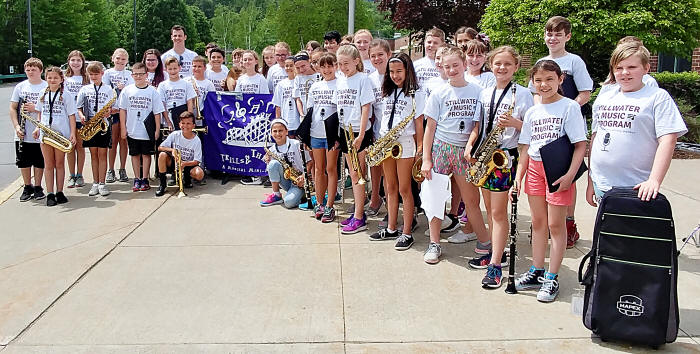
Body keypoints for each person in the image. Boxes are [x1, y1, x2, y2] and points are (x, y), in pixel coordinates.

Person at [513, 60, 587, 302]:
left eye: (549, 79)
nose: (544, 85)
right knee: (538, 223)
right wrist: (519, 175)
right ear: (532, 82)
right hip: (535, 168)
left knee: (556, 225)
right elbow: (525, 146)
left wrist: (569, 176)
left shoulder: (569, 107)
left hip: (558, 170)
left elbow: (579, 146)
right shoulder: (533, 111)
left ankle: (552, 276)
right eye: (538, 80)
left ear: (560, 80)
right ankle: (537, 270)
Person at [467, 46, 534, 288]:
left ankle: (495, 265)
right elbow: (478, 125)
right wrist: (470, 145)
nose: (502, 68)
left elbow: (531, 128)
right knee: (489, 209)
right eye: (497, 63)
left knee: (498, 213)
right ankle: (498, 253)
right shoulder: (485, 93)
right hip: (485, 154)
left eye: (507, 64)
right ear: (490, 65)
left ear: (516, 67)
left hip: (504, 157)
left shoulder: (523, 94)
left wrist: (516, 123)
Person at [587, 42, 686, 205]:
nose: (624, 73)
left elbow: (668, 140)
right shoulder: (605, 97)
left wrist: (654, 180)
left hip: (637, 188)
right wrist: (591, 180)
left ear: (646, 68)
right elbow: (596, 137)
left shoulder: (657, 97)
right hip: (601, 184)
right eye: (618, 68)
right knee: (607, 230)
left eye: (632, 67)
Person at [528, 16, 594, 247]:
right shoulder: (541, 61)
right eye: (549, 33)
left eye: (558, 34)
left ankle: (568, 222)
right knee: (544, 175)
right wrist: (542, 111)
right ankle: (545, 223)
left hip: (567, 128)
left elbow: (585, 92)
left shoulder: (574, 61)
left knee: (566, 178)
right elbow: (535, 93)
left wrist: (566, 111)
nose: (553, 38)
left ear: (567, 37)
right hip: (544, 127)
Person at [420, 46, 489, 264]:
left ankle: (485, 242)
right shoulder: (439, 93)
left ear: (464, 64)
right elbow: (430, 127)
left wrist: (470, 146)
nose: (451, 70)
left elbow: (478, 124)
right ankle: (434, 242)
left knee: (471, 200)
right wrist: (426, 159)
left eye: (455, 65)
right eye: (447, 66)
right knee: (435, 197)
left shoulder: (478, 91)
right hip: (441, 148)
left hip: (464, 153)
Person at [368, 53, 425, 251]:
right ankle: (391, 227)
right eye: (391, 72)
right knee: (389, 187)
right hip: (386, 142)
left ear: (408, 70)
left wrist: (420, 149)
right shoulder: (387, 91)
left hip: (405, 143)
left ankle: (407, 232)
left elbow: (419, 124)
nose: (395, 75)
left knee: (404, 189)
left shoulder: (417, 93)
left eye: (399, 71)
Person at [335, 44, 375, 234]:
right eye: (340, 64)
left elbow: (366, 107)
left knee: (358, 175)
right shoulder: (341, 80)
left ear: (357, 61)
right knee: (353, 174)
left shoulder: (363, 79)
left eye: (346, 63)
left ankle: (359, 217)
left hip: (358, 132)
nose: (343, 67)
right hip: (344, 130)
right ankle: (358, 213)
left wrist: (360, 135)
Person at [119, 62, 165, 192]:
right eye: (135, 74)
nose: (138, 77)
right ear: (132, 75)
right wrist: (123, 128)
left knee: (146, 155)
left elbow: (157, 112)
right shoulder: (127, 90)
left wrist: (157, 130)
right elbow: (123, 110)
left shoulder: (153, 92)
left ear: (146, 75)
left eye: (141, 74)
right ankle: (137, 178)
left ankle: (145, 178)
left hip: (146, 130)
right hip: (132, 129)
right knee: (134, 154)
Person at [34, 66, 76, 205]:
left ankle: (59, 191)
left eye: (55, 78)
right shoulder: (42, 93)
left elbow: (71, 115)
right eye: (50, 77)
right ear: (46, 78)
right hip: (46, 133)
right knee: (48, 164)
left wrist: (72, 134)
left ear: (61, 79)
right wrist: (37, 128)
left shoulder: (66, 95)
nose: (52, 80)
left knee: (59, 163)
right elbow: (40, 113)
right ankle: (50, 193)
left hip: (60, 134)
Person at [77, 61, 118, 197]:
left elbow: (115, 108)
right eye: (91, 74)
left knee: (102, 155)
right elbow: (79, 107)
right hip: (90, 125)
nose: (94, 77)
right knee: (93, 155)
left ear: (102, 74)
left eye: (96, 74)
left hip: (103, 125)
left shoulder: (109, 90)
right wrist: (82, 115)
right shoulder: (84, 89)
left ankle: (102, 183)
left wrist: (110, 112)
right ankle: (95, 183)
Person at [307, 52, 339, 223]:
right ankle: (319, 202)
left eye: (330, 65)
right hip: (316, 132)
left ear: (336, 66)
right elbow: (310, 110)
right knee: (318, 169)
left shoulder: (339, 84)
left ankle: (330, 205)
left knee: (331, 169)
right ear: (318, 68)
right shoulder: (315, 86)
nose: (327, 69)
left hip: (332, 134)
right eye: (323, 66)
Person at [10, 57, 48, 202]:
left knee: (39, 160)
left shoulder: (46, 86)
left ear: (40, 71)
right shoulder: (20, 87)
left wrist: (35, 108)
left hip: (40, 130)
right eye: (28, 70)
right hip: (23, 131)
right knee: (23, 161)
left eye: (34, 69)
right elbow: (13, 108)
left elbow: (50, 109)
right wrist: (16, 126)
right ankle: (27, 186)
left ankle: (38, 187)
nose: (30, 72)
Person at [365, 39, 392, 218]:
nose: (377, 58)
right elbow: (370, 109)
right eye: (373, 56)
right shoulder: (370, 79)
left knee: (392, 176)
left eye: (380, 54)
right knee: (375, 168)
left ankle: (393, 207)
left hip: (396, 134)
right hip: (377, 132)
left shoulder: (396, 74)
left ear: (389, 55)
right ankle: (375, 198)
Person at [155, 111, 204, 196]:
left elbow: (197, 161)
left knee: (199, 174)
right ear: (179, 124)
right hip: (175, 162)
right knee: (162, 155)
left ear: (193, 126)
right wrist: (172, 150)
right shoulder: (175, 134)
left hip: (188, 164)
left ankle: (187, 178)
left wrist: (184, 164)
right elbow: (160, 147)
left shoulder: (196, 141)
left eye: (188, 123)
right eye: (183, 123)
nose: (185, 126)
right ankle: (162, 185)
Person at [260, 119, 306, 208]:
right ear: (271, 133)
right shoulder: (271, 150)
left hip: (300, 182)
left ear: (286, 131)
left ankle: (302, 195)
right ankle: (276, 195)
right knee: (273, 164)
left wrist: (303, 176)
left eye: (280, 131)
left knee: (288, 203)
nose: (277, 134)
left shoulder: (296, 144)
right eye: (275, 131)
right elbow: (273, 171)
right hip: (287, 181)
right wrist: (268, 162)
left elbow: (310, 162)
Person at [104, 48, 134, 184]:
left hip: (125, 112)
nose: (120, 61)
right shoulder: (107, 73)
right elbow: (104, 91)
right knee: (112, 142)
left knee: (123, 142)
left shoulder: (129, 74)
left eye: (123, 59)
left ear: (127, 61)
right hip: (111, 112)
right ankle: (111, 169)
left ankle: (122, 168)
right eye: (118, 58)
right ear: (113, 58)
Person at [64, 50, 89, 189]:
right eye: (73, 60)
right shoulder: (65, 78)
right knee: (70, 148)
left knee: (80, 147)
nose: (75, 63)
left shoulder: (86, 79)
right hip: (68, 118)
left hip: (82, 119)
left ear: (82, 62)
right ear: (69, 62)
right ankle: (71, 175)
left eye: (78, 60)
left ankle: (79, 174)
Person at [158, 57, 195, 132]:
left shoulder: (187, 84)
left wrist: (189, 121)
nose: (173, 71)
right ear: (166, 69)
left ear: (179, 68)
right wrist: (168, 122)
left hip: (183, 116)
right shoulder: (162, 85)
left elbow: (190, 103)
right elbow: (162, 104)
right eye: (170, 69)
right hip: (169, 117)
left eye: (175, 68)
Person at [292, 52, 320, 135]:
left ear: (309, 61)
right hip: (304, 114)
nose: (301, 70)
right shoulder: (298, 78)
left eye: (303, 66)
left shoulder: (318, 75)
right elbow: (298, 98)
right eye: (297, 68)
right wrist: (302, 114)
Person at [273, 56, 299, 136]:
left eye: (291, 65)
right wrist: (278, 121)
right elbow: (278, 105)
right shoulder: (281, 84)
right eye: (286, 66)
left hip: (299, 120)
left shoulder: (299, 81)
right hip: (287, 121)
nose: (288, 68)